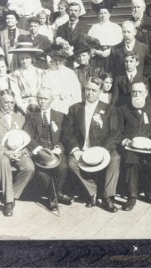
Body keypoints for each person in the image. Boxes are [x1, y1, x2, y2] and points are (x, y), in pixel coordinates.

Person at [62, 77, 122, 212]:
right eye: (87, 89)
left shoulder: (109, 109)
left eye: (94, 90)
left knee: (115, 159)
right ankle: (92, 192)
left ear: (100, 91)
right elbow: (68, 133)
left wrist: (103, 151)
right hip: (82, 149)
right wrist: (75, 149)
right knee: (72, 163)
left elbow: (115, 133)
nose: (90, 93)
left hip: (103, 148)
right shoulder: (74, 109)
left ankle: (108, 197)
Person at [23, 87, 73, 211]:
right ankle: (56, 197)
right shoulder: (31, 117)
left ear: (52, 99)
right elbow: (27, 135)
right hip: (40, 152)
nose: (42, 101)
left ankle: (53, 196)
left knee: (63, 168)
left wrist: (59, 147)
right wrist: (39, 149)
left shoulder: (61, 116)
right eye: (40, 98)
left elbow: (67, 136)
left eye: (45, 98)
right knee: (42, 174)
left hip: (56, 151)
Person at [0, 89, 35, 217]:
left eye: (11, 103)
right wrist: (5, 151)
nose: (9, 105)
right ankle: (9, 202)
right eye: (6, 102)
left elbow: (25, 138)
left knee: (29, 167)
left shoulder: (20, 118)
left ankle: (12, 194)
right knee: (4, 162)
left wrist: (21, 151)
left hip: (18, 152)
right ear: (0, 102)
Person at [116, 81, 151, 211]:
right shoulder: (123, 110)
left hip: (148, 146)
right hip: (130, 146)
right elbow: (117, 131)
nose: (137, 94)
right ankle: (132, 196)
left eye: (140, 92)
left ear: (146, 93)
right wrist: (124, 141)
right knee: (131, 157)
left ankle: (149, 192)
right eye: (134, 92)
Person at [88, 0, 124, 72]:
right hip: (97, 57)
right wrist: (96, 51)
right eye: (101, 13)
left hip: (112, 57)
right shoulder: (94, 27)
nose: (103, 15)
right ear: (98, 15)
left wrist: (110, 50)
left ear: (109, 14)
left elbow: (120, 44)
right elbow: (89, 43)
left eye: (105, 13)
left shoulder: (116, 27)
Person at [42, 45, 82, 114]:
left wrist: (76, 108)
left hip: (67, 103)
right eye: (55, 60)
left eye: (60, 60)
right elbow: (44, 90)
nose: (57, 62)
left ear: (64, 60)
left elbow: (76, 92)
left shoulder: (70, 73)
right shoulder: (47, 73)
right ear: (52, 59)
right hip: (53, 104)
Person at [8, 43, 45, 114]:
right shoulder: (15, 75)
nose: (24, 61)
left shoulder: (41, 72)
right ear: (18, 58)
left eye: (27, 58)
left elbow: (45, 92)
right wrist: (25, 110)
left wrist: (42, 107)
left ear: (32, 58)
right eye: (22, 58)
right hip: (23, 106)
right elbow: (16, 95)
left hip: (40, 105)